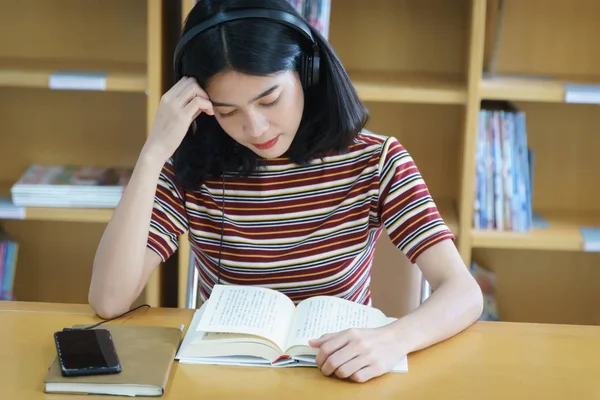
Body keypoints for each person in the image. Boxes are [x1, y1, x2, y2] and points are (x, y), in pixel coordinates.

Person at [89, 0, 483, 383]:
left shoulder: (376, 161)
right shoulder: (192, 173)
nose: (256, 128)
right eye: (227, 112)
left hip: (339, 375)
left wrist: (394, 339)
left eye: (270, 99)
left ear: (307, 72)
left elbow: (464, 293)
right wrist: (153, 153)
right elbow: (109, 301)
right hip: (225, 380)